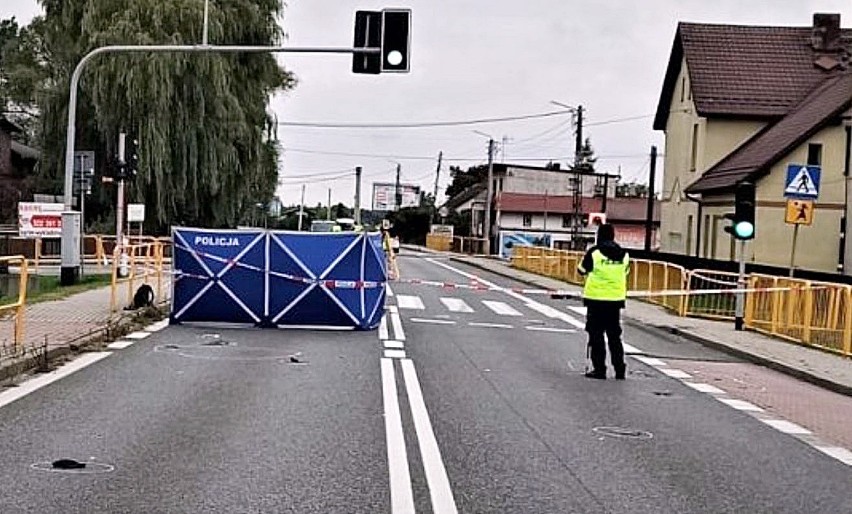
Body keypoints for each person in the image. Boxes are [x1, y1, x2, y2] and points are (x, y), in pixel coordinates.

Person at [577, 223, 629, 380]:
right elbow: (626, 272)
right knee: (614, 336)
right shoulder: (624, 254)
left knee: (596, 335)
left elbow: (581, 270)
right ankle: (620, 370)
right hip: (615, 300)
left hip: (596, 300)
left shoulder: (594, 252)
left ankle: (600, 369)